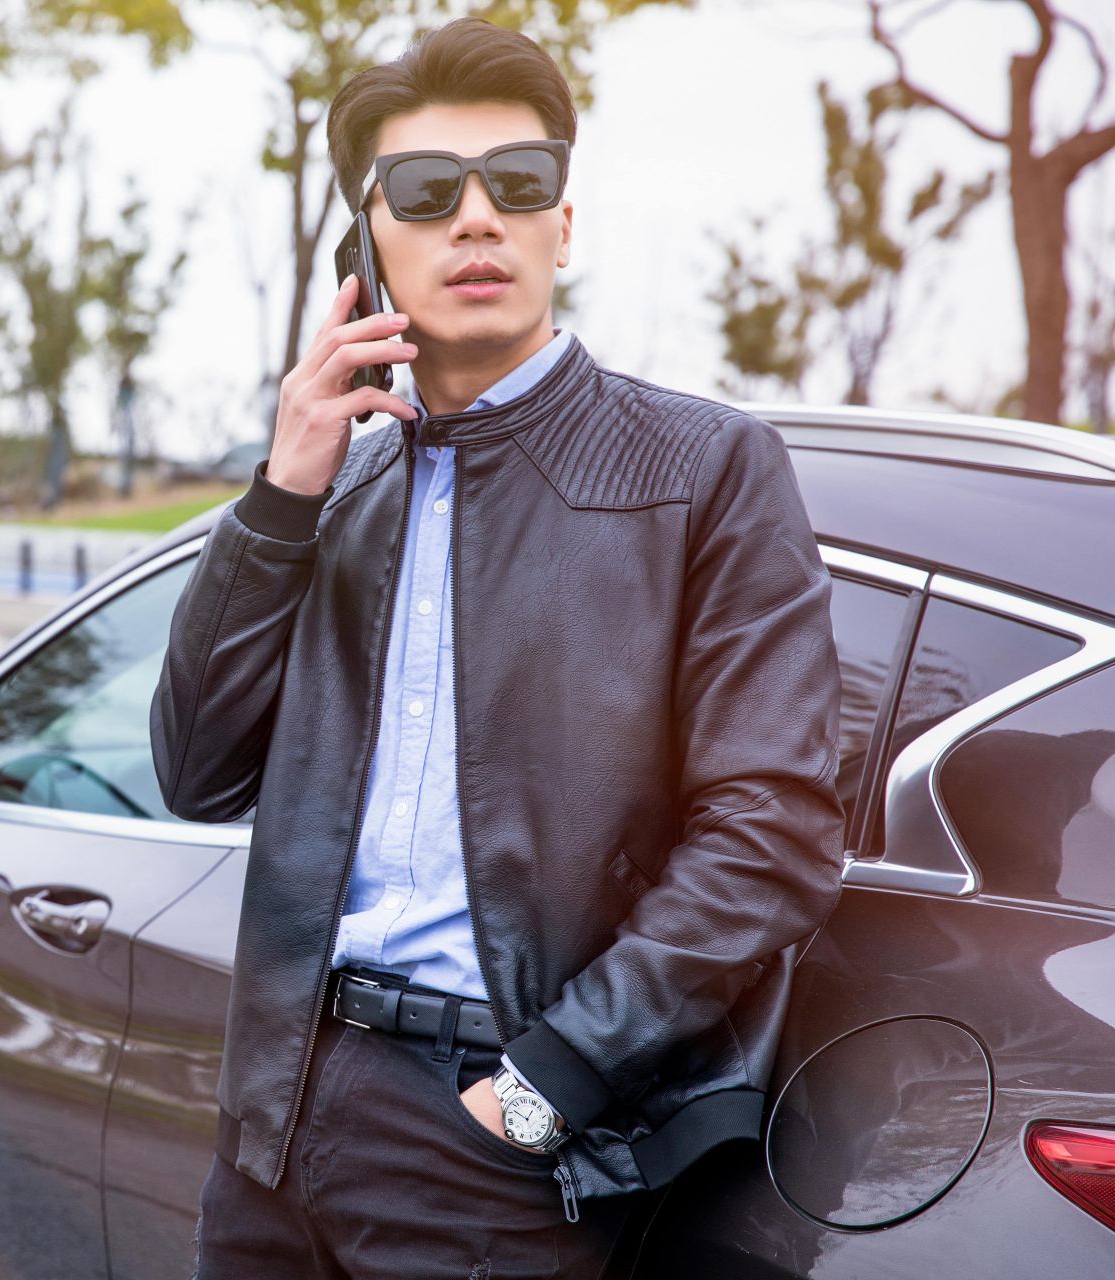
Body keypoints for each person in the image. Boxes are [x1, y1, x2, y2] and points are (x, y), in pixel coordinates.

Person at [149, 15, 847, 1279]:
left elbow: (773, 833)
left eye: (517, 184)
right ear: (370, 242)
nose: (477, 217)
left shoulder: (703, 469)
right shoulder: (338, 497)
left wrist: (542, 1088)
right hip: (272, 1126)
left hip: (498, 1134)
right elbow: (196, 767)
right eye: (427, 191)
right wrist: (278, 498)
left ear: (562, 227)